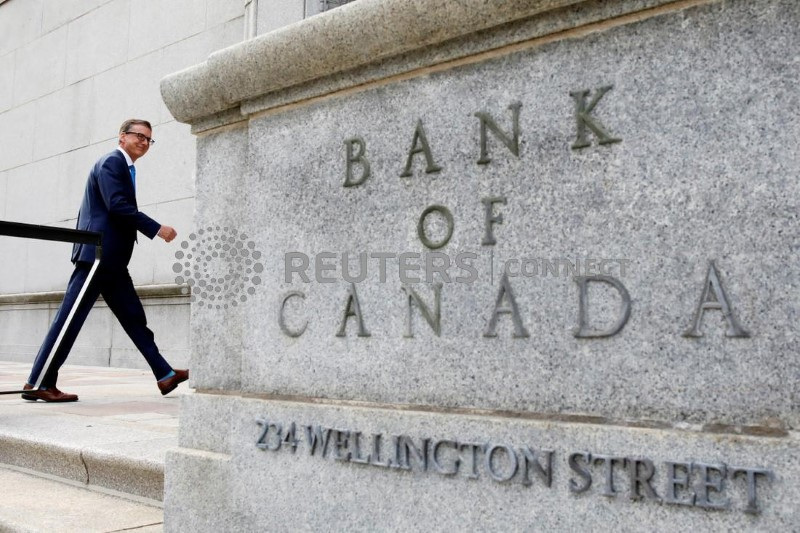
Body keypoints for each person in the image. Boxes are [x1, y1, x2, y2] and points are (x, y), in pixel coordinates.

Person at [22, 119, 189, 402]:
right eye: (139, 136)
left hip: (112, 261)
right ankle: (39, 382)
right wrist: (156, 228)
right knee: (69, 320)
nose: (144, 142)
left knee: (135, 319)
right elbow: (118, 206)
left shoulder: (124, 166)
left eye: (149, 139)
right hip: (97, 258)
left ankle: (164, 374)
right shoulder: (112, 162)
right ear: (122, 137)